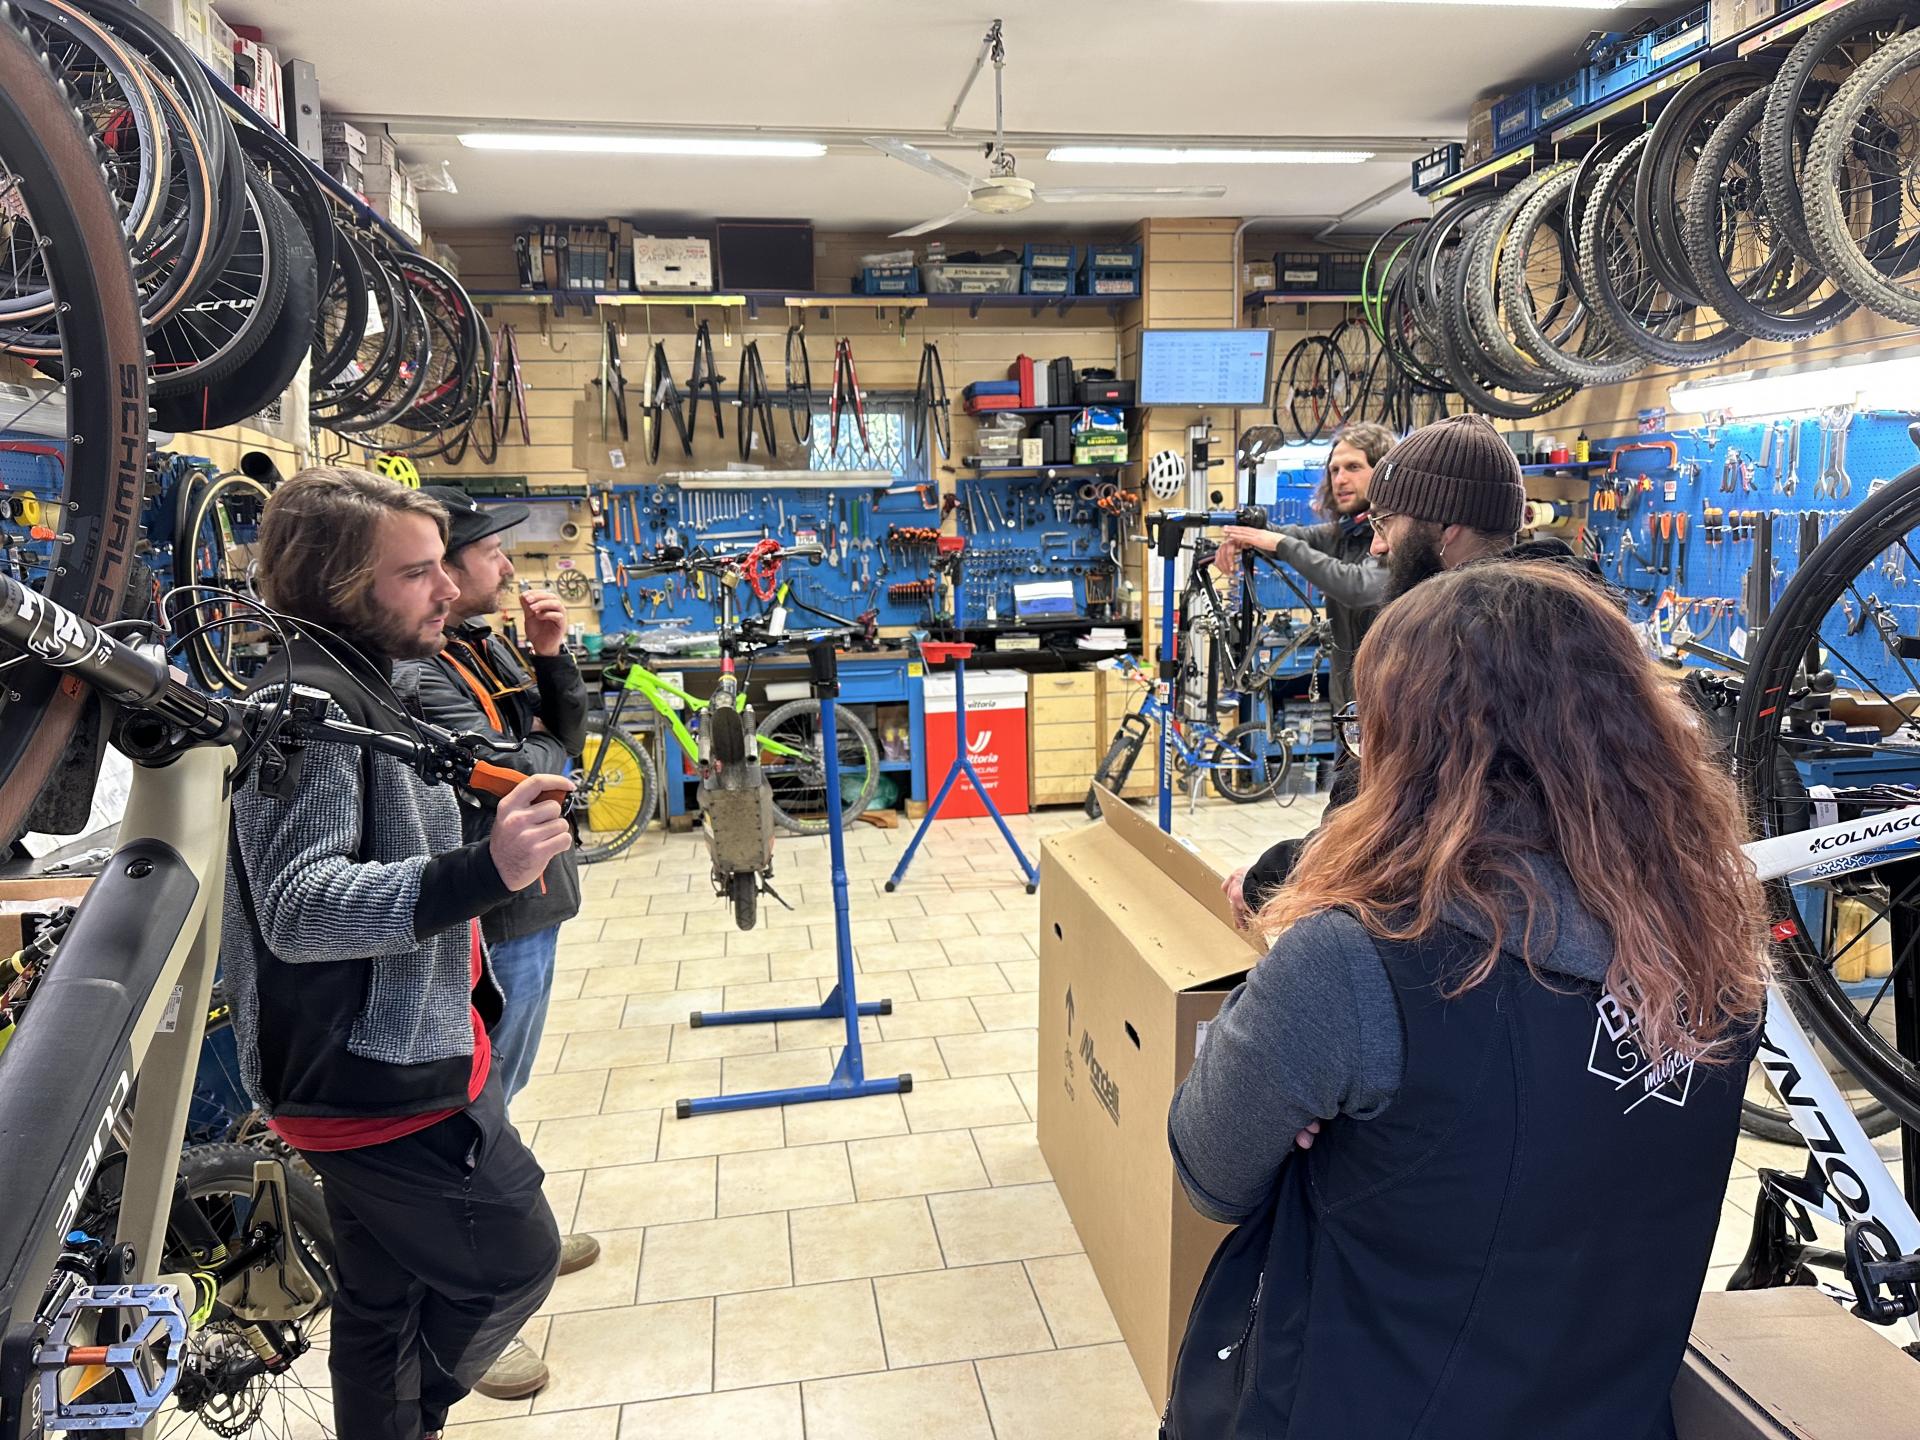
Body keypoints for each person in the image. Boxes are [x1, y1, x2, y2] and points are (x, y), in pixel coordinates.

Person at [1165, 562, 1768, 1439]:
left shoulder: (1356, 962)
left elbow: (1210, 1168)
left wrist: (1297, 1050)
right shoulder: (1720, 951)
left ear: (1416, 754)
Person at [224, 467, 572, 1440]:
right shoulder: (308, 706)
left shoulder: (365, 685)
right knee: (514, 1261)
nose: (449, 588)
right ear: (341, 585)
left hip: (390, 1058)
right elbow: (298, 906)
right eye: (418, 572)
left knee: (382, 1302)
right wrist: (484, 871)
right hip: (373, 1083)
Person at [1224, 412, 1602, 920]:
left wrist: (1269, 877)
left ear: (1446, 528)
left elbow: (1385, 830)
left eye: (1387, 524)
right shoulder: (1587, 625)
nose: (1378, 545)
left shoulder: (1441, 652)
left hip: (1466, 925)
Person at [405, 486, 598, 1401]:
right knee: (473, 1110)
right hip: (489, 916)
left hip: (531, 902)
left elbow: (562, 744)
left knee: (502, 1093)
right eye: (493, 553)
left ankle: (522, 1235)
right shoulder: (418, 672)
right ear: (444, 568)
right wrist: (546, 759)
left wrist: (551, 659)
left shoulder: (482, 644)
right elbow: (506, 772)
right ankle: (477, 1318)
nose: (508, 567)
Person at [1209, 420, 1395, 709]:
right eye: (1334, 470)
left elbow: (1358, 587)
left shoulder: (1398, 536)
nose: (1340, 479)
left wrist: (1279, 543)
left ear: (1383, 473)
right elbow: (1295, 536)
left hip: (1392, 707)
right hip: (1348, 708)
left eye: (1353, 467)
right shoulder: (1344, 534)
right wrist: (1247, 535)